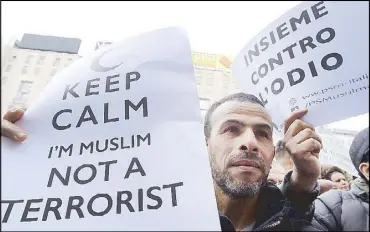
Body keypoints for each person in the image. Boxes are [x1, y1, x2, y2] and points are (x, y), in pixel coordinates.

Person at [2, 93, 322, 231]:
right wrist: (19, 162)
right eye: (232, 129)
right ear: (203, 144)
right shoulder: (143, 220)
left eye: (263, 134)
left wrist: (305, 180)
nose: (249, 142)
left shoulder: (305, 225)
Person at [312, 127, 369, 231]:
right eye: (338, 181)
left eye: (343, 179)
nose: (343, 183)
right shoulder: (331, 206)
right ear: (367, 170)